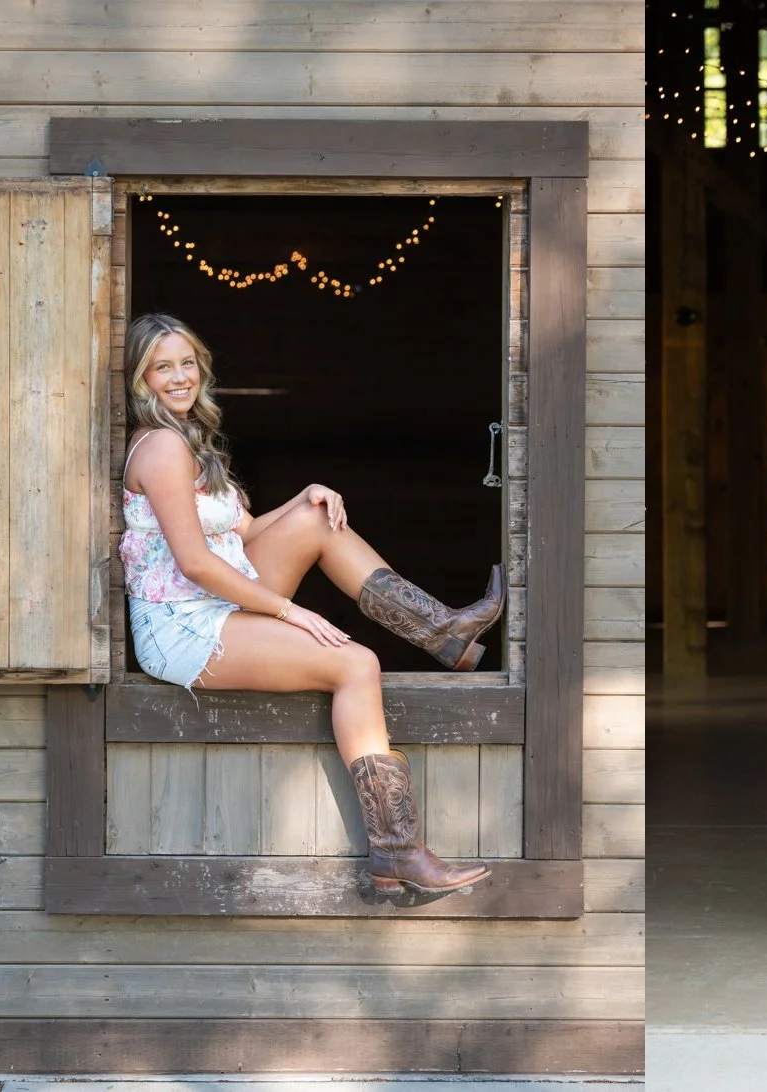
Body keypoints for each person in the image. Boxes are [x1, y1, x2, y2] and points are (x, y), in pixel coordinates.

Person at [119, 312, 503, 896]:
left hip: (213, 600)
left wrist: (303, 497)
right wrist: (288, 610)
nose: (178, 377)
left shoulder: (189, 440)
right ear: (140, 378)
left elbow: (243, 535)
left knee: (318, 515)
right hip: (182, 624)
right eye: (161, 367)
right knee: (357, 664)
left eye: (187, 363)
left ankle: (442, 630)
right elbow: (196, 563)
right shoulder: (161, 447)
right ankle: (398, 851)